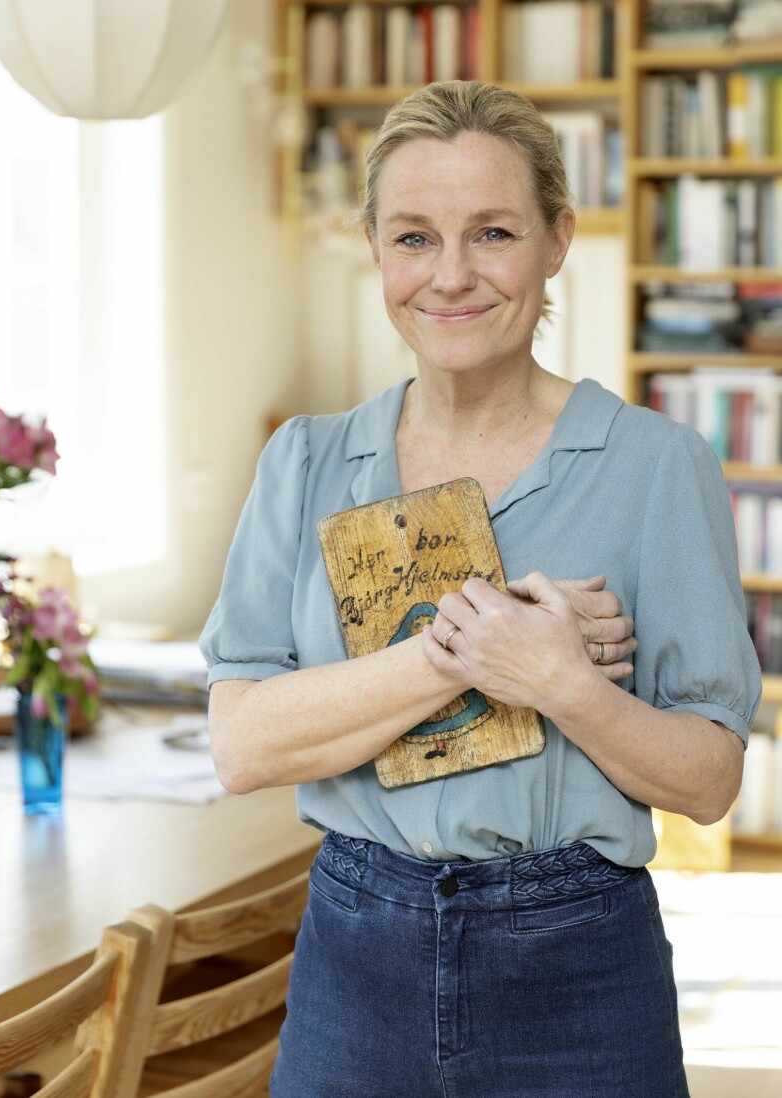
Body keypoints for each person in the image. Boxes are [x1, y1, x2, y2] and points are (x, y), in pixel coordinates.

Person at [200, 81, 761, 1097]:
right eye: (414, 237)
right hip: (350, 958)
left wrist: (566, 684)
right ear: (374, 246)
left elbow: (710, 780)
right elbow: (242, 746)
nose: (450, 276)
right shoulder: (305, 463)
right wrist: (464, 649)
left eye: (492, 232)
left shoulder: (655, 466)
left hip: (581, 965)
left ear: (558, 239)